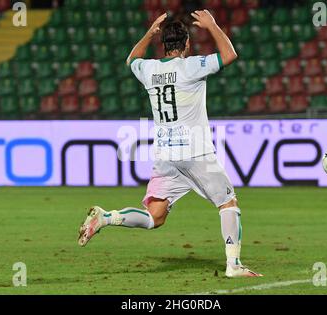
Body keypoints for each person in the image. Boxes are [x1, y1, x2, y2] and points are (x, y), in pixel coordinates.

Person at [78, 10, 262, 278]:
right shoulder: (192, 66)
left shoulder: (150, 69)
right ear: (186, 44)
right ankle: (233, 265)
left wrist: (148, 32)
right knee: (228, 203)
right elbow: (230, 54)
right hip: (196, 152)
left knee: (155, 216)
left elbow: (131, 59)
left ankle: (107, 218)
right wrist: (212, 25)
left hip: (166, 155)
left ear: (163, 45)